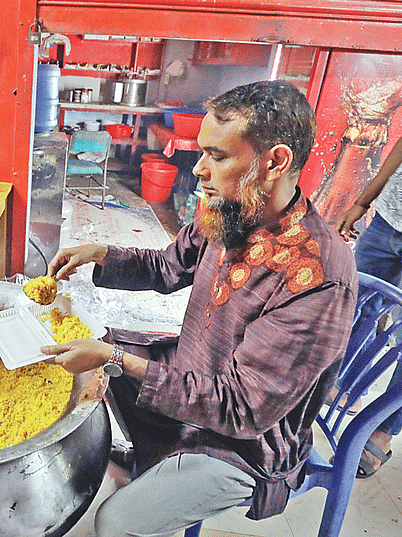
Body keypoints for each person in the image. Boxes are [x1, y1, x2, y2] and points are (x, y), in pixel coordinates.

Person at [42, 80, 357, 537]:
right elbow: (169, 266)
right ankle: (152, 455)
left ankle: (165, 466)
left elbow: (244, 410)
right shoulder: (231, 208)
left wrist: (116, 361)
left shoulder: (317, 276)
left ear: (276, 162)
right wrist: (100, 254)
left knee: (116, 524)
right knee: (92, 368)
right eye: (202, 152)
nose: (200, 170)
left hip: (245, 442)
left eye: (218, 155)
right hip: (194, 375)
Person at [334, 135, 402, 478]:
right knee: (357, 305)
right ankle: (343, 387)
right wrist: (363, 202)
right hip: (389, 219)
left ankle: (382, 431)